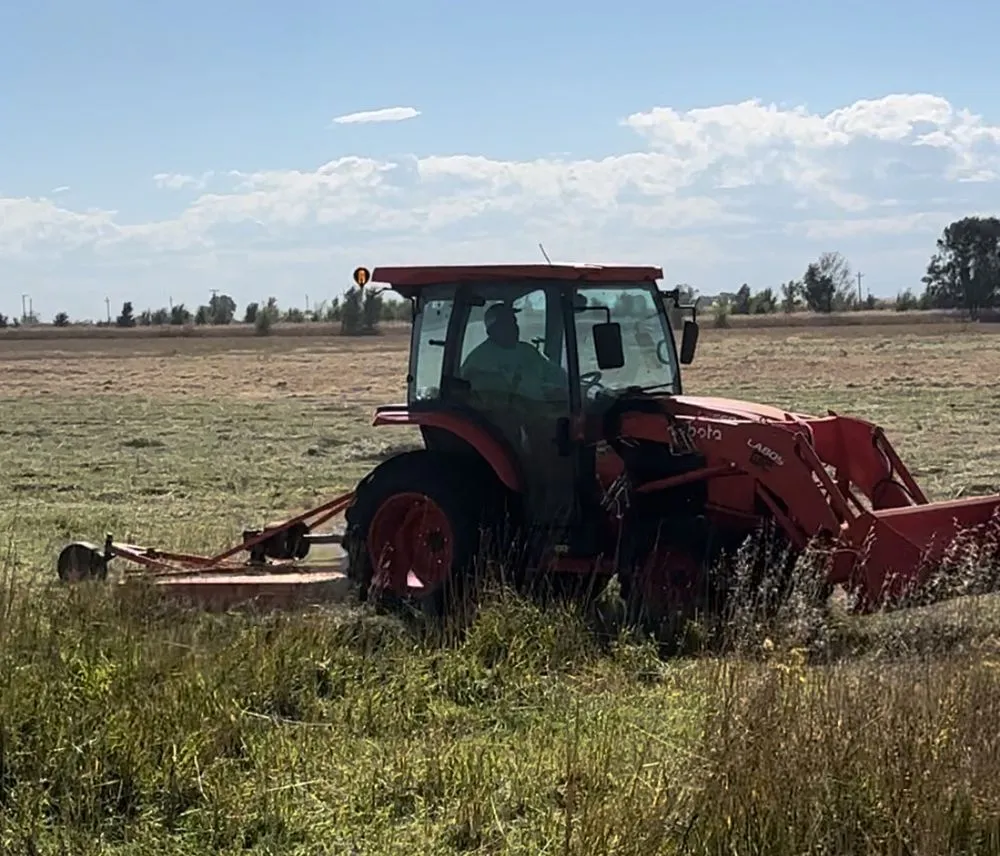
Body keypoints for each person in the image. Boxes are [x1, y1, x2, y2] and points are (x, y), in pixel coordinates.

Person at [459, 303, 568, 403]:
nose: (514, 327)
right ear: (491, 331)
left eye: (514, 321)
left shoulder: (528, 351)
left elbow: (554, 375)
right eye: (506, 323)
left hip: (539, 412)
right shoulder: (478, 360)